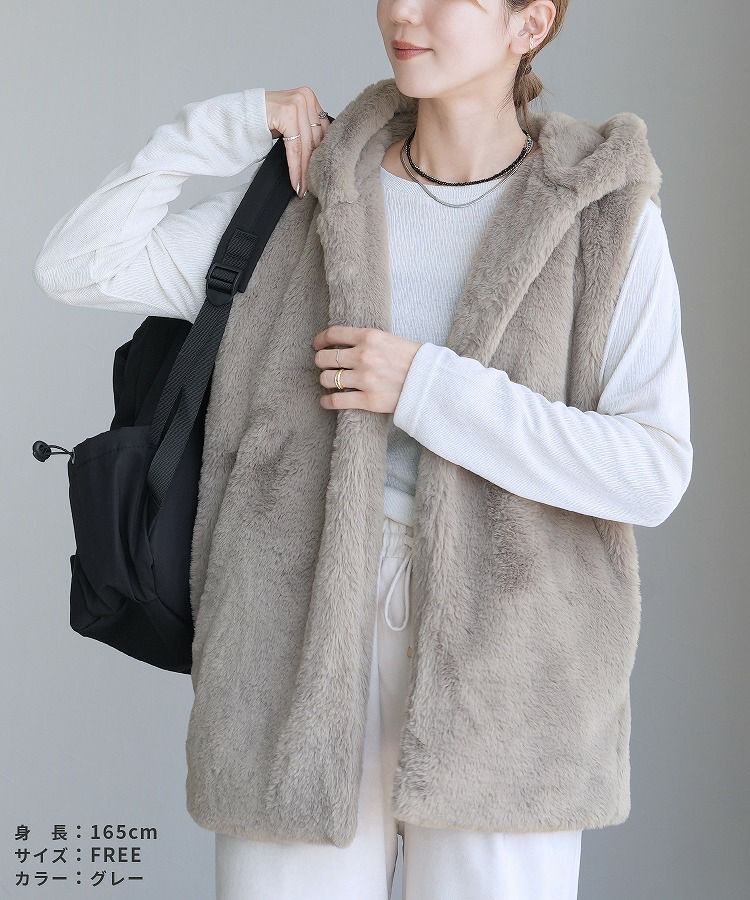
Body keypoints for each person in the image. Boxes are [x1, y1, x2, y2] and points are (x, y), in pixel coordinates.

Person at [33, 1, 692, 898]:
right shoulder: (308, 192)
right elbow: (76, 263)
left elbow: (653, 469)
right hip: (288, 645)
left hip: (510, 674)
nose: (402, 11)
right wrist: (232, 123)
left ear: (530, 23)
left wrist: (428, 387)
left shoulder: (602, 216)